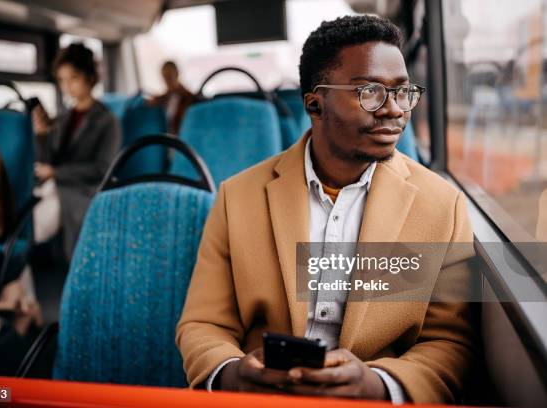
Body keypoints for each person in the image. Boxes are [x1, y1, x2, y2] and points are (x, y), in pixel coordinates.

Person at [176, 16, 475, 404]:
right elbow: (204, 323)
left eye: (402, 93)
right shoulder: (238, 197)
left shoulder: (442, 205)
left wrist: (379, 384)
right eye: (369, 91)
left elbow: (449, 340)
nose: (393, 110)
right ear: (315, 104)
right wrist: (233, 373)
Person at [32, 43, 121, 262]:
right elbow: (48, 160)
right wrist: (42, 136)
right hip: (58, 186)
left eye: (72, 78)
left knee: (33, 224)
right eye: (61, 80)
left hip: (87, 189)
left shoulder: (107, 121)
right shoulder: (62, 118)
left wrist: (55, 173)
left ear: (89, 77)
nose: (66, 86)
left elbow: (102, 169)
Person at [147, 61, 195, 134]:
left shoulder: (189, 98)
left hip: (183, 138)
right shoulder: (166, 98)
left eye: (169, 76)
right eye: (164, 77)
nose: (167, 81)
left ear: (177, 74)